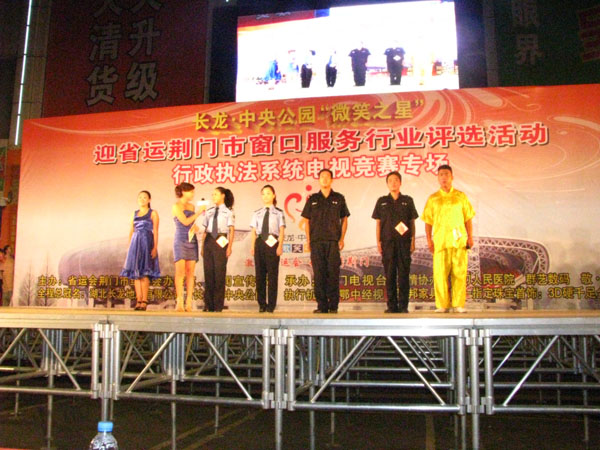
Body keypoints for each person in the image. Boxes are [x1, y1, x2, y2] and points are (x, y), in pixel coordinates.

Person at [422, 165, 475, 313]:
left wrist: (470, 237)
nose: (444, 177)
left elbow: (468, 218)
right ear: (438, 178)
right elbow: (428, 221)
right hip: (440, 242)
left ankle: (458, 304)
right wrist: (429, 240)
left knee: (459, 273)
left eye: (446, 174)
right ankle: (442, 305)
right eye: (441, 174)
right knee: (440, 274)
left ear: (452, 177)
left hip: (459, 242)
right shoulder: (433, 198)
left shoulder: (461, 196)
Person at [301, 169, 350, 313]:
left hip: (333, 242)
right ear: (319, 180)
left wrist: (342, 238)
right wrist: (308, 241)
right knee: (319, 274)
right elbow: (307, 221)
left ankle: (333, 306)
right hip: (316, 242)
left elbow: (344, 219)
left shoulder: (339, 198)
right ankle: (321, 306)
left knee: (333, 273)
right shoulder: (313, 199)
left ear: (332, 180)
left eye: (327, 177)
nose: (324, 179)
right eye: (322, 176)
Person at [372, 172, 418, 313]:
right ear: (387, 183)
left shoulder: (408, 200)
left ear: (400, 183)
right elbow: (378, 224)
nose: (393, 182)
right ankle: (391, 306)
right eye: (390, 180)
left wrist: (413, 240)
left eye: (396, 180)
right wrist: (378, 242)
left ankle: (403, 306)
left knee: (403, 275)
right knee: (390, 274)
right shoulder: (382, 201)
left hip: (404, 243)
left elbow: (412, 222)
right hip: (388, 244)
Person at [120, 191, 161, 311]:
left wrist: (155, 247)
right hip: (135, 243)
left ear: (149, 200)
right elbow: (131, 230)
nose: (142, 199)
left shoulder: (153, 213)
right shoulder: (134, 213)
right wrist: (129, 247)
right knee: (136, 274)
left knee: (145, 272)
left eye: (144, 197)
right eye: (140, 197)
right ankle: (138, 300)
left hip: (146, 242)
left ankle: (144, 301)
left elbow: (156, 231)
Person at [250, 185, 286, 313]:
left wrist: (280, 245)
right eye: (263, 194)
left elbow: (281, 230)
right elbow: (254, 231)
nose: (265, 196)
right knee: (260, 275)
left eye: (268, 193)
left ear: (274, 195)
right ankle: (261, 304)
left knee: (272, 275)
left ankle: (271, 305)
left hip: (273, 242)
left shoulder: (279, 212)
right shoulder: (257, 213)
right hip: (260, 242)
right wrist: (253, 246)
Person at [172, 183, 206, 312]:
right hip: (180, 239)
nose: (193, 194)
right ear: (183, 192)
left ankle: (189, 302)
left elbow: (191, 223)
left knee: (190, 272)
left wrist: (196, 227)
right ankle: (180, 301)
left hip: (191, 240)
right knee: (180, 272)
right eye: (191, 192)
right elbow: (185, 221)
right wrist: (198, 212)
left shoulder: (191, 206)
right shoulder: (176, 206)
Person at [201, 187, 235, 312]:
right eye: (212, 194)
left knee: (219, 273)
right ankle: (208, 304)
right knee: (208, 273)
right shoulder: (209, 211)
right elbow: (205, 230)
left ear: (222, 195)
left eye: (216, 194)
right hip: (209, 240)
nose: (213, 196)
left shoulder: (229, 212)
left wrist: (229, 247)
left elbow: (231, 230)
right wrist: (202, 246)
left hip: (221, 239)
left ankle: (218, 305)